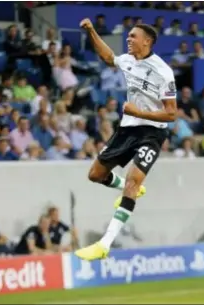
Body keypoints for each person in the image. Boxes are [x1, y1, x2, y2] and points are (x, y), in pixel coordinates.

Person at [75, 18, 177, 261]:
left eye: (133, 36)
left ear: (147, 41)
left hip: (152, 132)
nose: (128, 40)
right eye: (128, 36)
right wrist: (91, 31)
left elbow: (171, 113)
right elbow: (109, 57)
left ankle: (104, 243)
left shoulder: (163, 72)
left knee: (132, 181)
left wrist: (138, 112)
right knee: (95, 175)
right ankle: (129, 188)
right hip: (127, 129)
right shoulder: (129, 61)